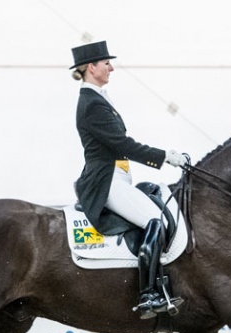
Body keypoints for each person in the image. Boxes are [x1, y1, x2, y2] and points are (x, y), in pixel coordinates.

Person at [70, 40, 187, 319]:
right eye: (106, 63)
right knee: (153, 220)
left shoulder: (99, 98)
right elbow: (123, 145)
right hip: (105, 181)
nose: (111, 67)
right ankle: (149, 294)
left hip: (118, 179)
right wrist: (165, 156)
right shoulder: (92, 104)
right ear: (90, 67)